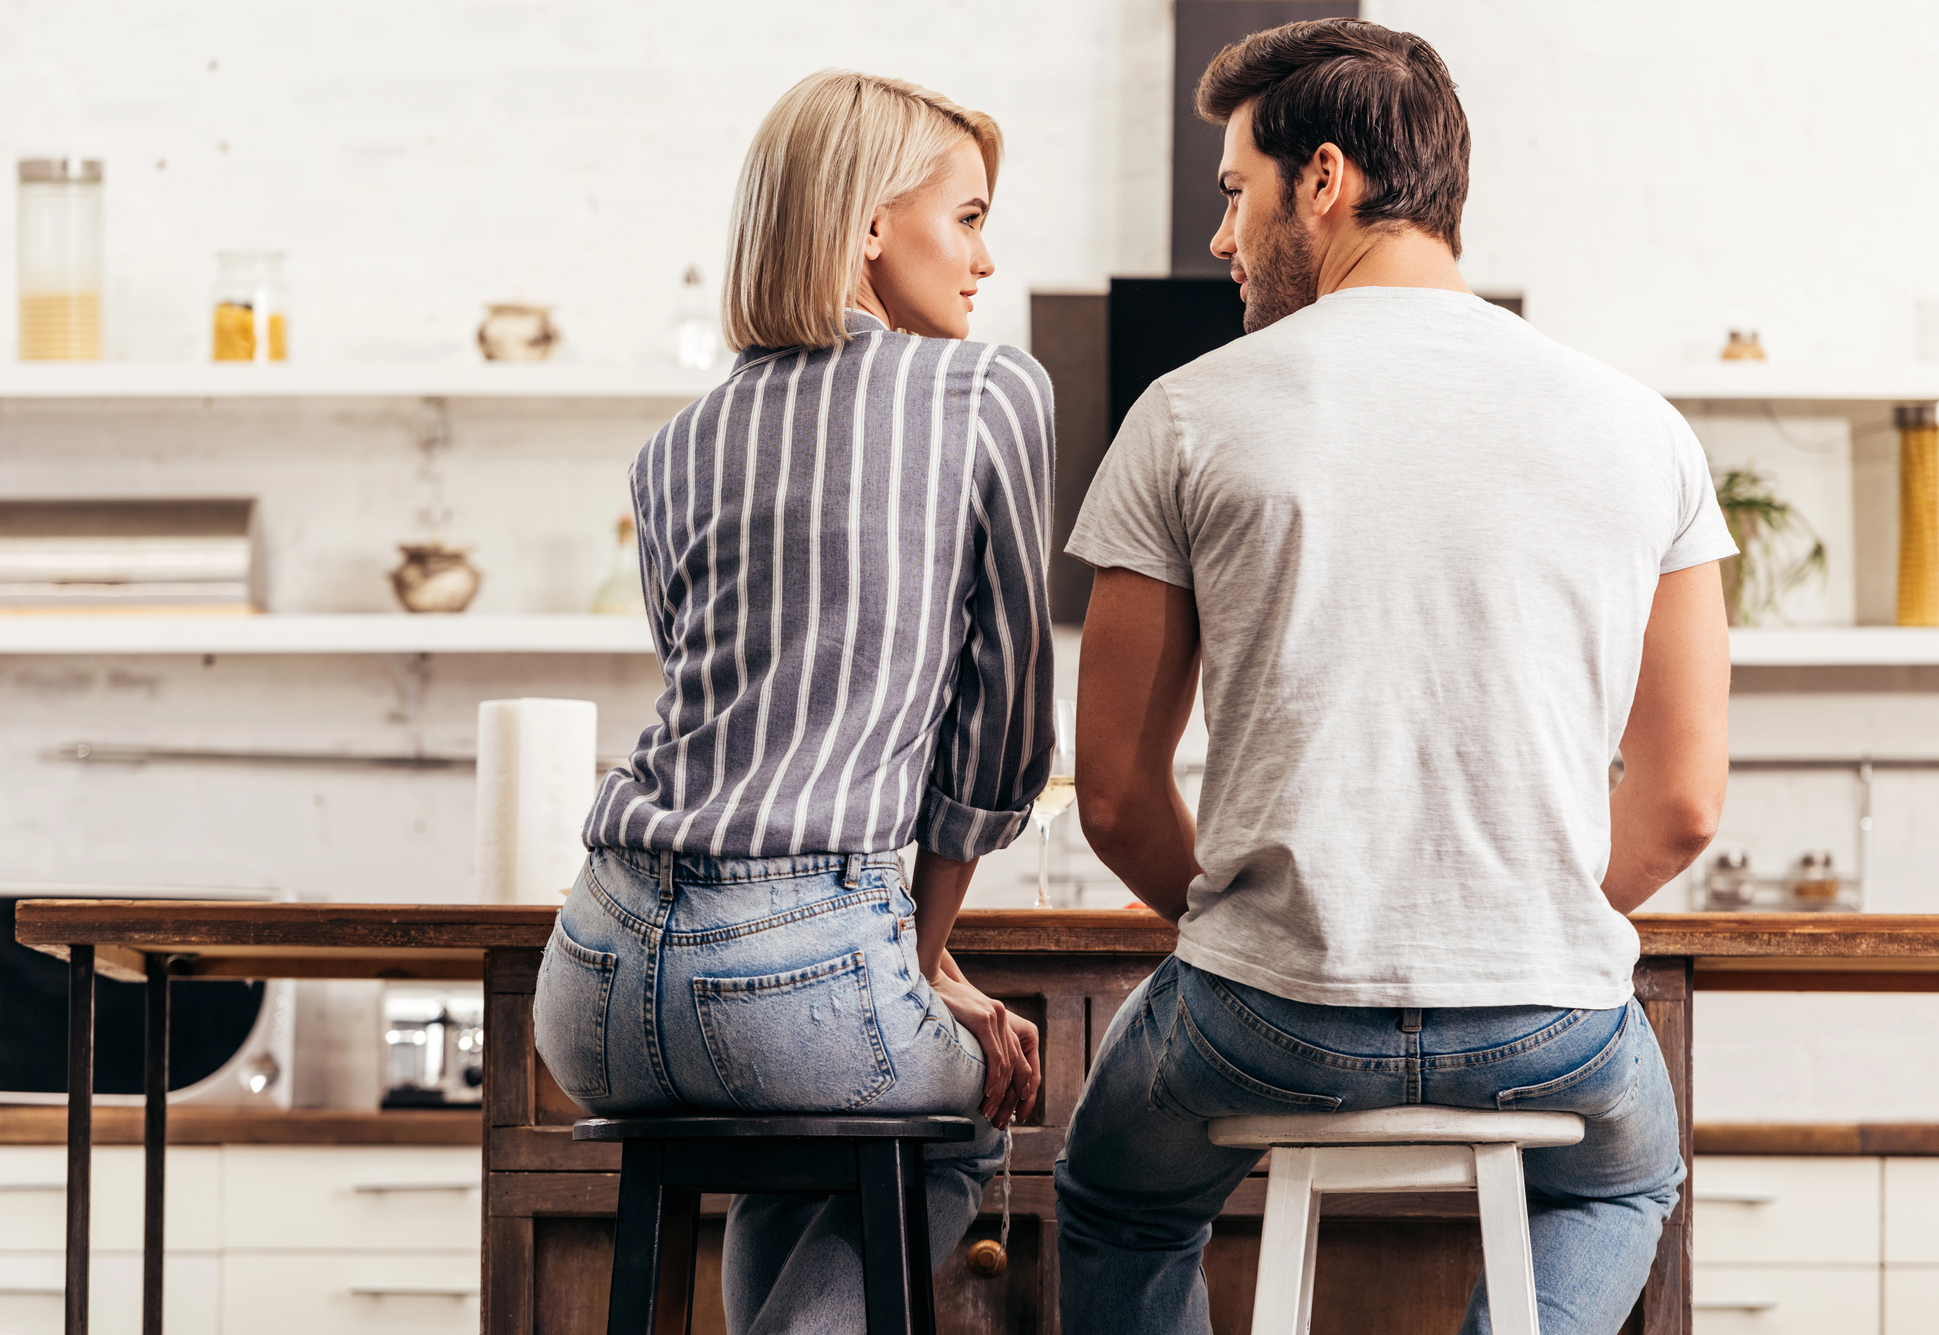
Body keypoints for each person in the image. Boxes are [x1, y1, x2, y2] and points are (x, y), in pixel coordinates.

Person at [1055, 18, 1734, 1335]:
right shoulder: (1643, 430)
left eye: (1234, 193)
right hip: (1549, 1017)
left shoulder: (1189, 413)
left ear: (1323, 180)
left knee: (1116, 1197)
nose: (1220, 238)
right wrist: (1517, 921)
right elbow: (1688, 801)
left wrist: (1268, 935)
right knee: (1623, 1180)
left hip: (1269, 1011)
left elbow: (1119, 798)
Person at [532, 69, 1054, 1334]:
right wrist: (924, 964)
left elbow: (735, 727)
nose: (984, 258)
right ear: (872, 223)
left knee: (814, 1141)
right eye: (969, 217)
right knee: (961, 1119)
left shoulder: (673, 448)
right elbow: (1002, 740)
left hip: (593, 981)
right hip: (793, 980)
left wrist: (919, 968)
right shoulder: (987, 392)